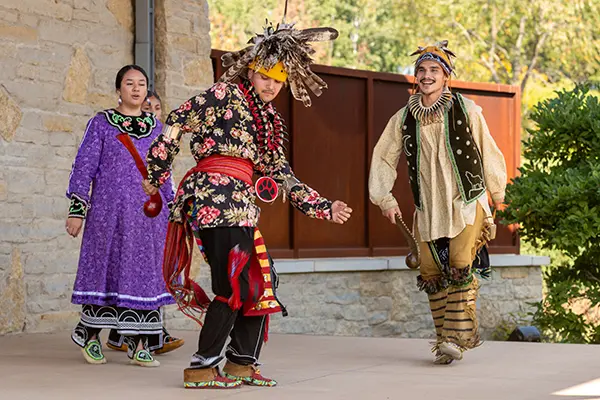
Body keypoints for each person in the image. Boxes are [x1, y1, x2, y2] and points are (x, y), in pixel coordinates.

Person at [145, 20, 352, 388]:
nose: (271, 85)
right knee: (234, 282)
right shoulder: (223, 95)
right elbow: (176, 120)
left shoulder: (270, 120)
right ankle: (202, 365)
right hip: (211, 197)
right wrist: (157, 169)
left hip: (241, 204)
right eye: (265, 76)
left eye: (278, 79)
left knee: (261, 279)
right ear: (251, 72)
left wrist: (323, 206)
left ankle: (241, 362)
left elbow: (282, 174)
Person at [368, 41, 507, 364]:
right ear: (415, 77)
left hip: (466, 201)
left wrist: (498, 194)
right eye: (422, 70)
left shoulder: (467, 109)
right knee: (430, 271)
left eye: (434, 71)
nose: (427, 75)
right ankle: (444, 339)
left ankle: (457, 340)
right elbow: (384, 157)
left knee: (460, 262)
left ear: (447, 77)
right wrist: (384, 198)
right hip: (428, 208)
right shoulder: (404, 118)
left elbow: (488, 150)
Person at [66, 65, 175, 367]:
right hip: (107, 214)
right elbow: (83, 167)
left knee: (143, 275)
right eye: (130, 83)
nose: (137, 89)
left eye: (141, 84)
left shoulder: (157, 129)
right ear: (118, 90)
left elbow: (165, 173)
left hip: (148, 217)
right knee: (104, 270)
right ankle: (91, 337)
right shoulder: (101, 124)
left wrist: (174, 208)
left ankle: (140, 344)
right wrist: (77, 210)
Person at [106, 88, 184, 356]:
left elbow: (168, 177)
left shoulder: (163, 139)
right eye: (147, 107)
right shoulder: (128, 133)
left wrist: (174, 206)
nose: (152, 112)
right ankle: (144, 335)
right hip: (135, 210)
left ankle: (127, 336)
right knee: (137, 269)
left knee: (152, 268)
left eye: (157, 108)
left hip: (157, 212)